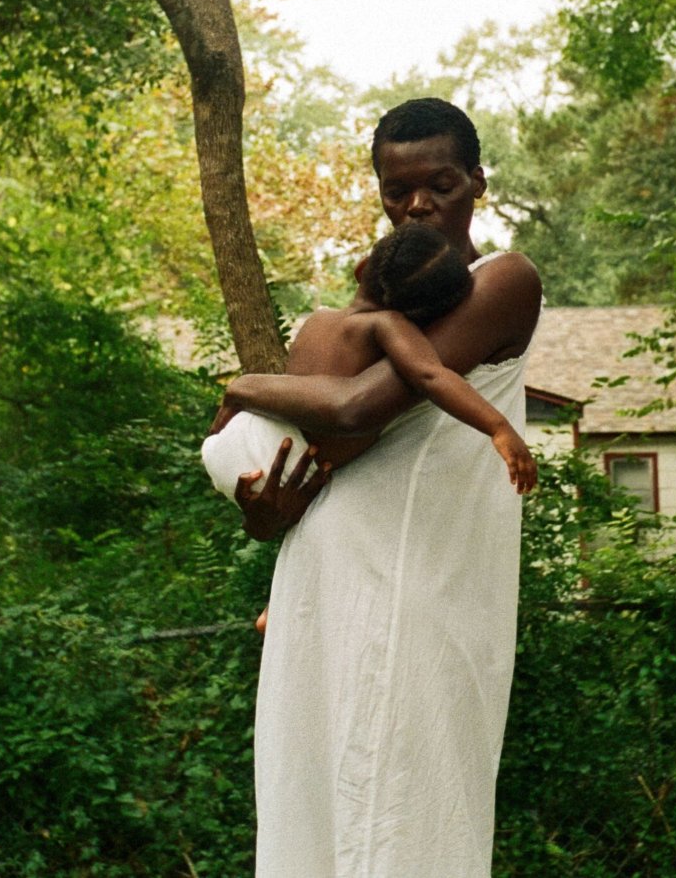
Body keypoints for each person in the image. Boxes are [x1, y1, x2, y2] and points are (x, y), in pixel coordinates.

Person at [211, 98, 544, 878]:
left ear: (478, 183)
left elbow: (361, 409)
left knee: (406, 816)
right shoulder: (377, 301)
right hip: (324, 587)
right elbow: (313, 459)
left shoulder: (503, 281)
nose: (418, 203)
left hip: (421, 589)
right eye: (398, 191)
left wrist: (243, 382)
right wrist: (265, 515)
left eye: (441, 183)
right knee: (313, 811)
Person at [201, 219, 538, 514]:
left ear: (362, 268)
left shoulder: (316, 321)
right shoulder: (385, 324)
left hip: (234, 440)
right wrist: (497, 427)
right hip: (279, 464)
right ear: (422, 319)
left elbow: (296, 387)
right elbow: (430, 374)